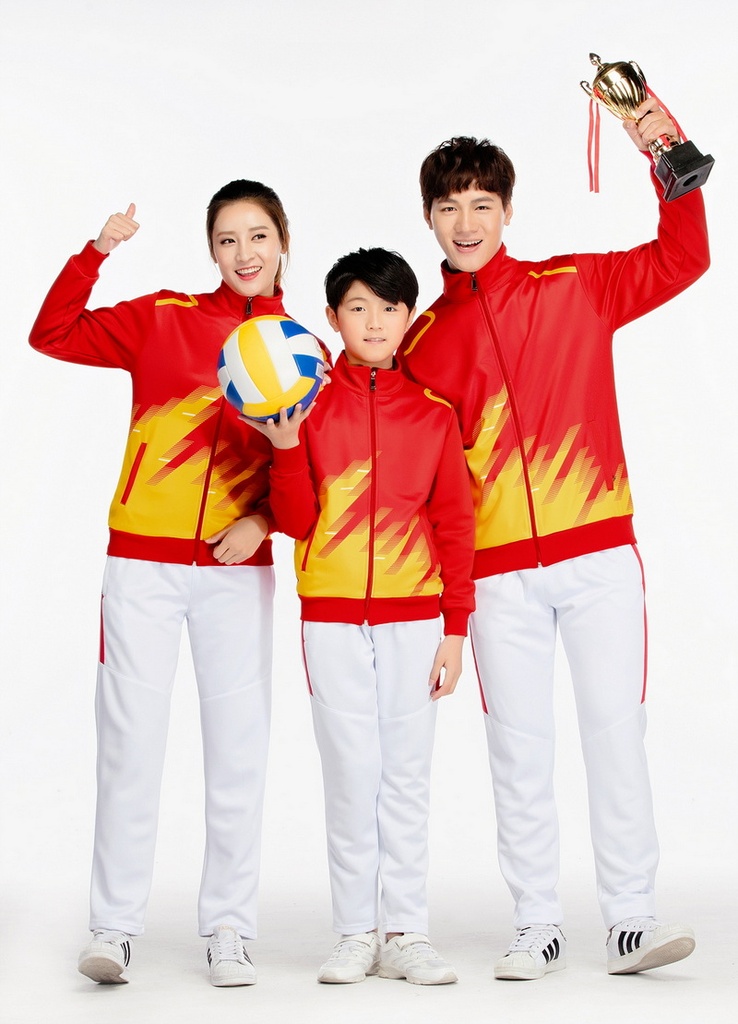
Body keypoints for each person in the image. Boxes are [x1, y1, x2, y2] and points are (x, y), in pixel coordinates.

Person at [399, 100, 710, 979]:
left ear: (508, 210)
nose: (466, 222)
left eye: (481, 204)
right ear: (429, 218)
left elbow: (684, 257)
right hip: (499, 578)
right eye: (449, 207)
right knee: (519, 747)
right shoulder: (423, 343)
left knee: (615, 731)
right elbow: (424, 481)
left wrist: (664, 147)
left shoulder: (574, 285)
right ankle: (536, 921)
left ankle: (631, 919)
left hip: (599, 556)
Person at [29, 179, 304, 987]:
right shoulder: (162, 318)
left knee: (238, 748)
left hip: (234, 574)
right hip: (141, 567)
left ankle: (229, 929)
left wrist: (263, 521)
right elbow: (52, 333)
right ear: (210, 248)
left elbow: (307, 487)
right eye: (227, 239)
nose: (244, 253)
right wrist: (96, 253)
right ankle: (113, 928)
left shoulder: (303, 351)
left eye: (258, 236)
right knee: (130, 744)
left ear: (282, 241)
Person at [248, 247, 475, 985]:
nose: (373, 322)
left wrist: (455, 628)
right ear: (332, 317)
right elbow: (294, 518)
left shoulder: (434, 416)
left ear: (409, 318)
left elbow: (455, 524)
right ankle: (354, 933)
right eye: (357, 308)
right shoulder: (308, 406)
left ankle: (406, 932)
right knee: (350, 774)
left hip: (415, 618)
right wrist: (286, 445)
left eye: (388, 308)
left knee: (406, 775)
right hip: (331, 618)